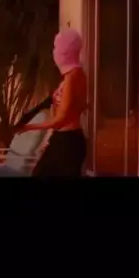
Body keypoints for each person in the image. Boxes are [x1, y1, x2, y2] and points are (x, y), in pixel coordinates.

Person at [15, 29, 87, 177]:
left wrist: (29, 127)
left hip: (67, 142)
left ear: (66, 51)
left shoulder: (72, 78)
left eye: (57, 47)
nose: (55, 52)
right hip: (64, 139)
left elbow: (60, 120)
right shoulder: (75, 75)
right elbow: (78, 105)